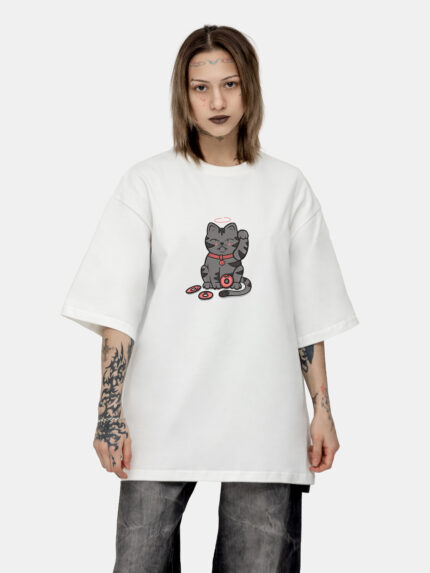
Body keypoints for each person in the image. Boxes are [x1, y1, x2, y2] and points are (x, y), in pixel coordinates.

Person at [61, 24, 359, 573]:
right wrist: (108, 414)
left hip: (264, 422)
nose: (217, 102)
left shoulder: (287, 186)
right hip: (158, 419)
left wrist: (323, 410)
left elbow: (309, 311)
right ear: (184, 94)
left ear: (250, 89)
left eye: (230, 84)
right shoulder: (147, 183)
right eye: (201, 87)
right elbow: (115, 314)